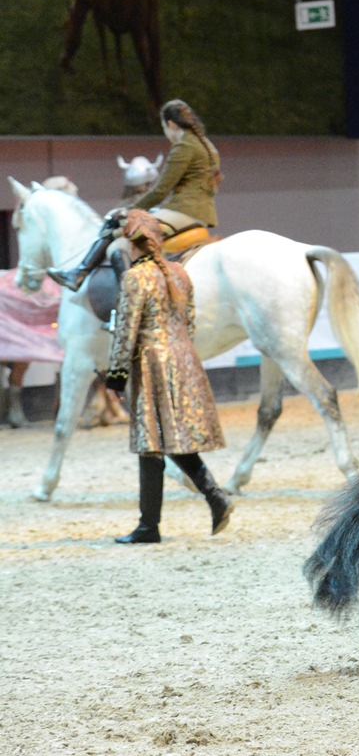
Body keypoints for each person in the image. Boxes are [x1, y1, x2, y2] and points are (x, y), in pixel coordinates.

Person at [105, 211, 231, 544]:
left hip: (152, 363)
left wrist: (116, 374)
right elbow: (189, 321)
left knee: (151, 444)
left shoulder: (136, 277)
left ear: (133, 244)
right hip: (184, 358)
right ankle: (215, 496)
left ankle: (149, 526)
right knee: (171, 437)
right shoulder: (180, 273)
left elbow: (126, 329)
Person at [49, 99, 222, 292]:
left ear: (171, 124)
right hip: (203, 213)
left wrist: (128, 209)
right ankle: (80, 273)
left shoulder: (184, 147)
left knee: (116, 231)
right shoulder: (207, 146)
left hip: (184, 211)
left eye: (164, 127)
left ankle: (119, 291)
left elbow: (160, 190)